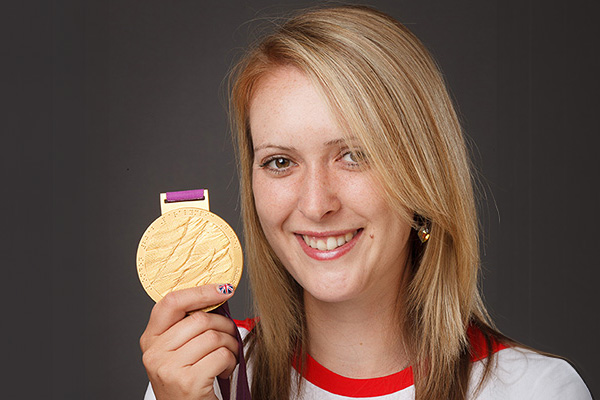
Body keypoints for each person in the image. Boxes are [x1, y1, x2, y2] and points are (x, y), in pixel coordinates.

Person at [140, 5, 592, 400]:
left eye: (354, 155)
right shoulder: (199, 374)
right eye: (280, 162)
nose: (316, 204)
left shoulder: (536, 390)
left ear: (423, 172)